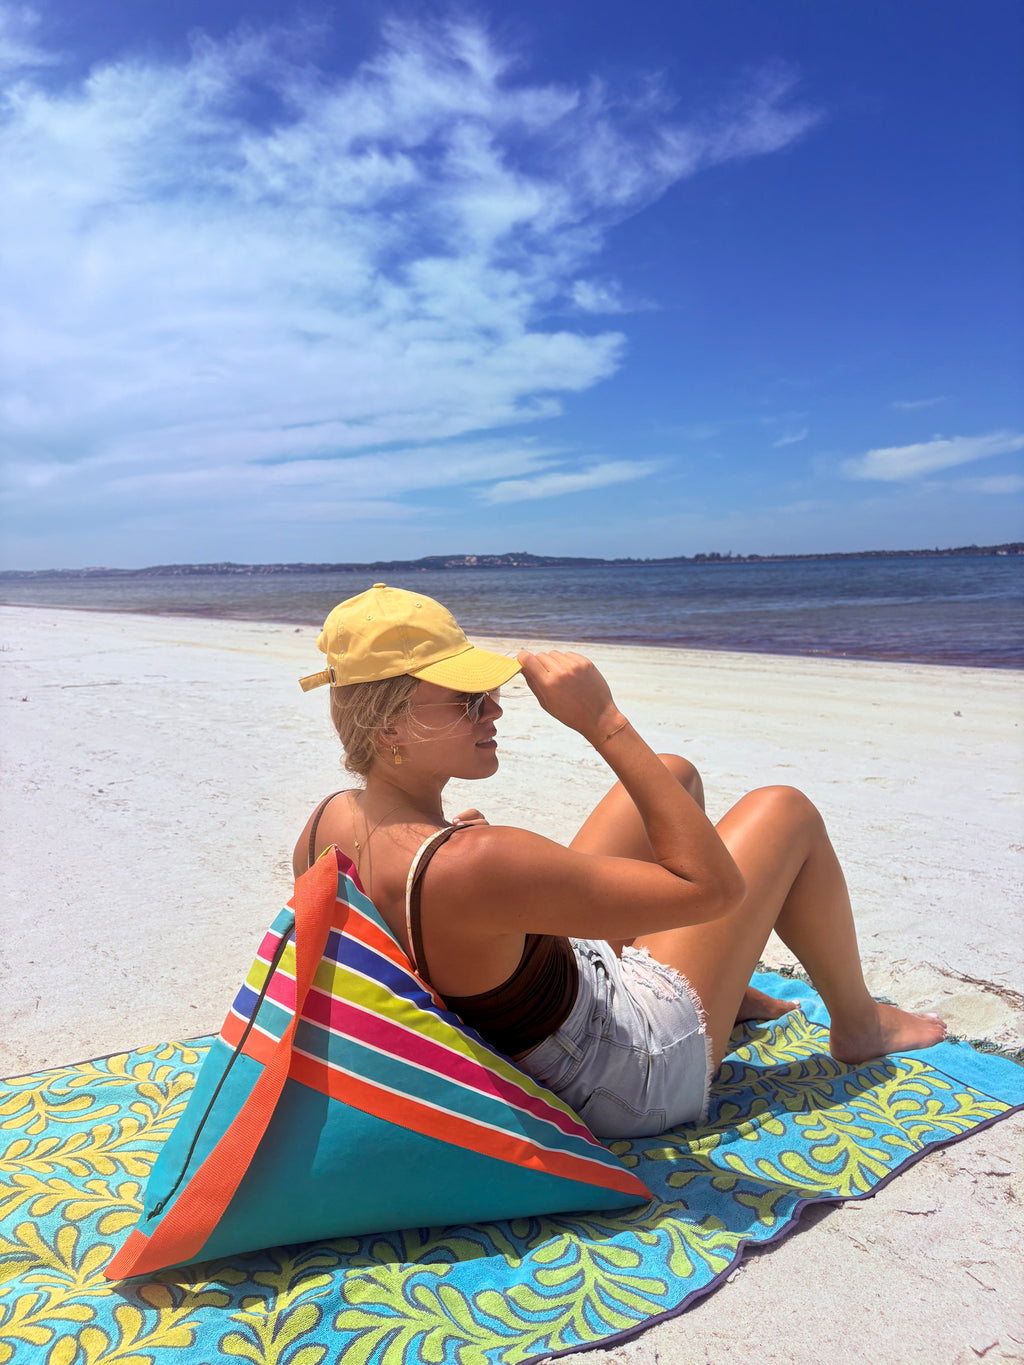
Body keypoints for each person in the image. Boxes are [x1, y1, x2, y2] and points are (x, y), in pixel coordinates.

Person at [294, 583, 946, 1138]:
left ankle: (728, 976)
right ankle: (860, 1024)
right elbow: (715, 887)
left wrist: (455, 872)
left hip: (538, 1020)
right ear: (389, 729)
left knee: (671, 775)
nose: (494, 709)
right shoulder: (476, 862)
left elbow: (393, 937)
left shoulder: (331, 821)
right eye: (467, 700)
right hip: (625, 1074)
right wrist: (603, 720)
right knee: (785, 810)